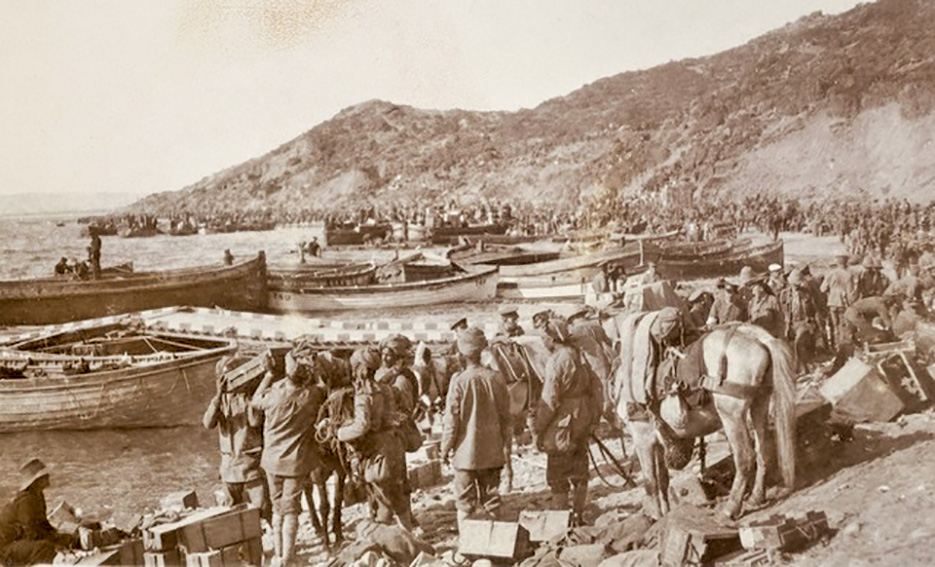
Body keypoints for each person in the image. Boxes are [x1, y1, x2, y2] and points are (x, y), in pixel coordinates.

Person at [251, 350, 326, 567]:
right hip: (295, 463)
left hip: (271, 461)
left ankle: (278, 554)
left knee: (277, 508)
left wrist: (268, 375)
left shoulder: (274, 395)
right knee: (291, 509)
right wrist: (316, 369)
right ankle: (288, 557)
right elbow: (323, 388)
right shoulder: (310, 396)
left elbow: (255, 400)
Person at [441, 327, 512, 534]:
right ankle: (496, 541)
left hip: (465, 456)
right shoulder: (496, 378)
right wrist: (505, 447)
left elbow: (451, 422)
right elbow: (506, 418)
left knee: (465, 504)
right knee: (492, 501)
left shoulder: (459, 381)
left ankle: (467, 542)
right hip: (492, 453)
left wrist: (444, 449)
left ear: (461, 354)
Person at [531, 318, 600, 525]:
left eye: (544, 338)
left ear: (553, 339)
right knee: (580, 469)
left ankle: (559, 519)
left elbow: (550, 400)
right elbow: (595, 387)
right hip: (583, 416)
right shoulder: (578, 354)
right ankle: (578, 514)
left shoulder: (556, 361)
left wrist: (538, 429)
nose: (543, 342)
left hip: (563, 422)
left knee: (558, 474)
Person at [338, 347, 411, 528]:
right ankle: (408, 534)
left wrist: (339, 433)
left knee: (382, 499)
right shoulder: (386, 388)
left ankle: (385, 539)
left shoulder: (364, 394)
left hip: (378, 451)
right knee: (397, 496)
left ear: (361, 369)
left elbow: (362, 426)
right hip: (394, 445)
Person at [203, 356, 270, 522]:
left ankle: (272, 535)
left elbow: (255, 421)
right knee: (234, 516)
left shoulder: (249, 397)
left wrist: (249, 397)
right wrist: (219, 396)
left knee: (262, 509)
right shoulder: (221, 401)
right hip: (228, 468)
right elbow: (208, 423)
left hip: (250, 466)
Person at [0, 459, 77, 566]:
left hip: (22, 540)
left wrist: (58, 536)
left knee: (64, 539)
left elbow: (43, 524)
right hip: (6, 549)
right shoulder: (26, 501)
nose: (48, 477)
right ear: (37, 481)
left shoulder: (38, 495)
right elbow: (30, 533)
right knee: (44, 547)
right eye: (45, 476)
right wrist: (54, 543)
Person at [779, 269, 819, 370]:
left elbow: (814, 308)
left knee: (799, 343)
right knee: (790, 346)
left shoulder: (806, 293)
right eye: (794, 284)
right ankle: (796, 367)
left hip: (803, 322)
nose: (796, 286)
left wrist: (813, 322)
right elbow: (781, 309)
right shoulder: (784, 294)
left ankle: (803, 367)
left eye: (798, 284)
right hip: (790, 323)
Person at [821, 254, 855, 347]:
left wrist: (830, 292)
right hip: (842, 303)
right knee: (842, 325)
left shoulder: (831, 273)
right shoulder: (848, 275)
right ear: (846, 262)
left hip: (832, 302)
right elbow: (850, 293)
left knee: (834, 325)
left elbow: (823, 289)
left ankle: (834, 345)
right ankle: (842, 345)